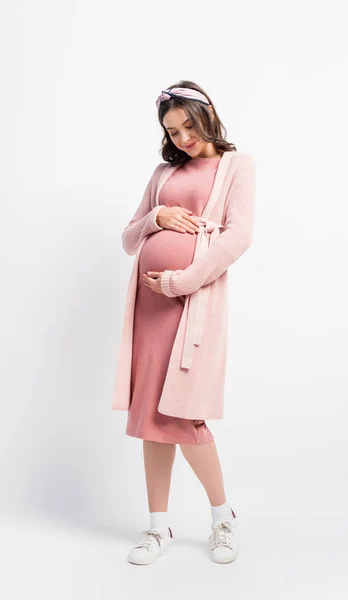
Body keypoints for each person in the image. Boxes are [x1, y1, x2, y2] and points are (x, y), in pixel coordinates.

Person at [117, 80, 255, 565]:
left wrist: (183, 281)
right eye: (172, 132)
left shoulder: (237, 165)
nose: (181, 139)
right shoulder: (161, 173)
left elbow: (238, 237)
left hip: (191, 303)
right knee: (152, 418)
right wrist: (158, 215)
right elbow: (129, 239)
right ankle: (158, 528)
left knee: (185, 414)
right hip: (149, 309)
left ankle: (222, 518)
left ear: (207, 113)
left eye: (187, 126)